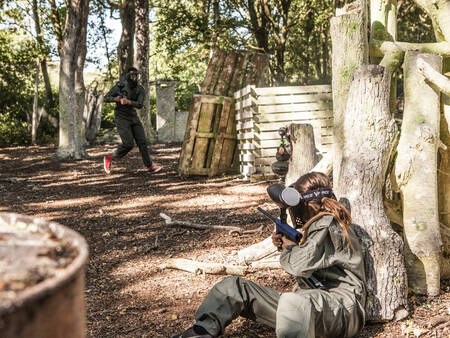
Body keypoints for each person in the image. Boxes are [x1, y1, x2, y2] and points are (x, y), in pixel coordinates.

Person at [172, 172, 366, 338]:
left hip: (343, 311)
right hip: (313, 307)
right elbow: (314, 258)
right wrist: (291, 243)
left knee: (293, 302)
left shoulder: (327, 224)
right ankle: (201, 331)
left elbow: (298, 265)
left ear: (307, 205)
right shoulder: (318, 227)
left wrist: (289, 247)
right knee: (234, 287)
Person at [103, 66, 161, 174]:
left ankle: (149, 166)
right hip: (121, 117)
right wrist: (115, 99)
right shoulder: (119, 87)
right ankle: (110, 158)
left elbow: (139, 104)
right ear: (127, 76)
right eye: (131, 75)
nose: (134, 77)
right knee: (128, 144)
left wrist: (129, 102)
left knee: (142, 141)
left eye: (135, 75)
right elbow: (106, 98)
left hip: (133, 117)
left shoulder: (140, 89)